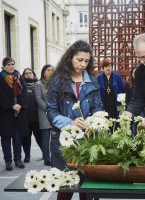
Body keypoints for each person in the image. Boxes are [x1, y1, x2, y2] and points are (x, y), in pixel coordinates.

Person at [46, 40, 103, 200]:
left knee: (88, 187)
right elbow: (50, 111)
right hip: (63, 141)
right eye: (79, 60)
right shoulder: (57, 79)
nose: (83, 64)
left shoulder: (92, 80)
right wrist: (70, 123)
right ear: (70, 57)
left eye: (87, 61)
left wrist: (93, 122)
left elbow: (98, 107)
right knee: (65, 187)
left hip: (87, 140)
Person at [0, 57, 28, 171]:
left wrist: (20, 105)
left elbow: (24, 92)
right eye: (8, 64)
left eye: (13, 64)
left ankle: (18, 159)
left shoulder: (19, 76)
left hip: (18, 112)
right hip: (6, 112)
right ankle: (8, 161)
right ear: (4, 66)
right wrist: (11, 105)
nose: (11, 66)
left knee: (18, 138)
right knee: (6, 138)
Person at [35, 64, 55, 166]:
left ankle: (55, 157)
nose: (50, 72)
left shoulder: (56, 83)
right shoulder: (39, 84)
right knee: (46, 137)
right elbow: (38, 99)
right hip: (44, 113)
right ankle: (46, 158)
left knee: (56, 137)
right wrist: (48, 108)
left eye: (52, 70)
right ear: (44, 72)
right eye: (48, 70)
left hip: (56, 113)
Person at [22, 68, 42, 163]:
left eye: (30, 73)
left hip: (37, 117)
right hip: (25, 117)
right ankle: (27, 155)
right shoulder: (21, 85)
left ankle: (45, 153)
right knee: (26, 138)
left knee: (39, 137)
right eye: (26, 73)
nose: (28, 74)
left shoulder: (38, 85)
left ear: (33, 74)